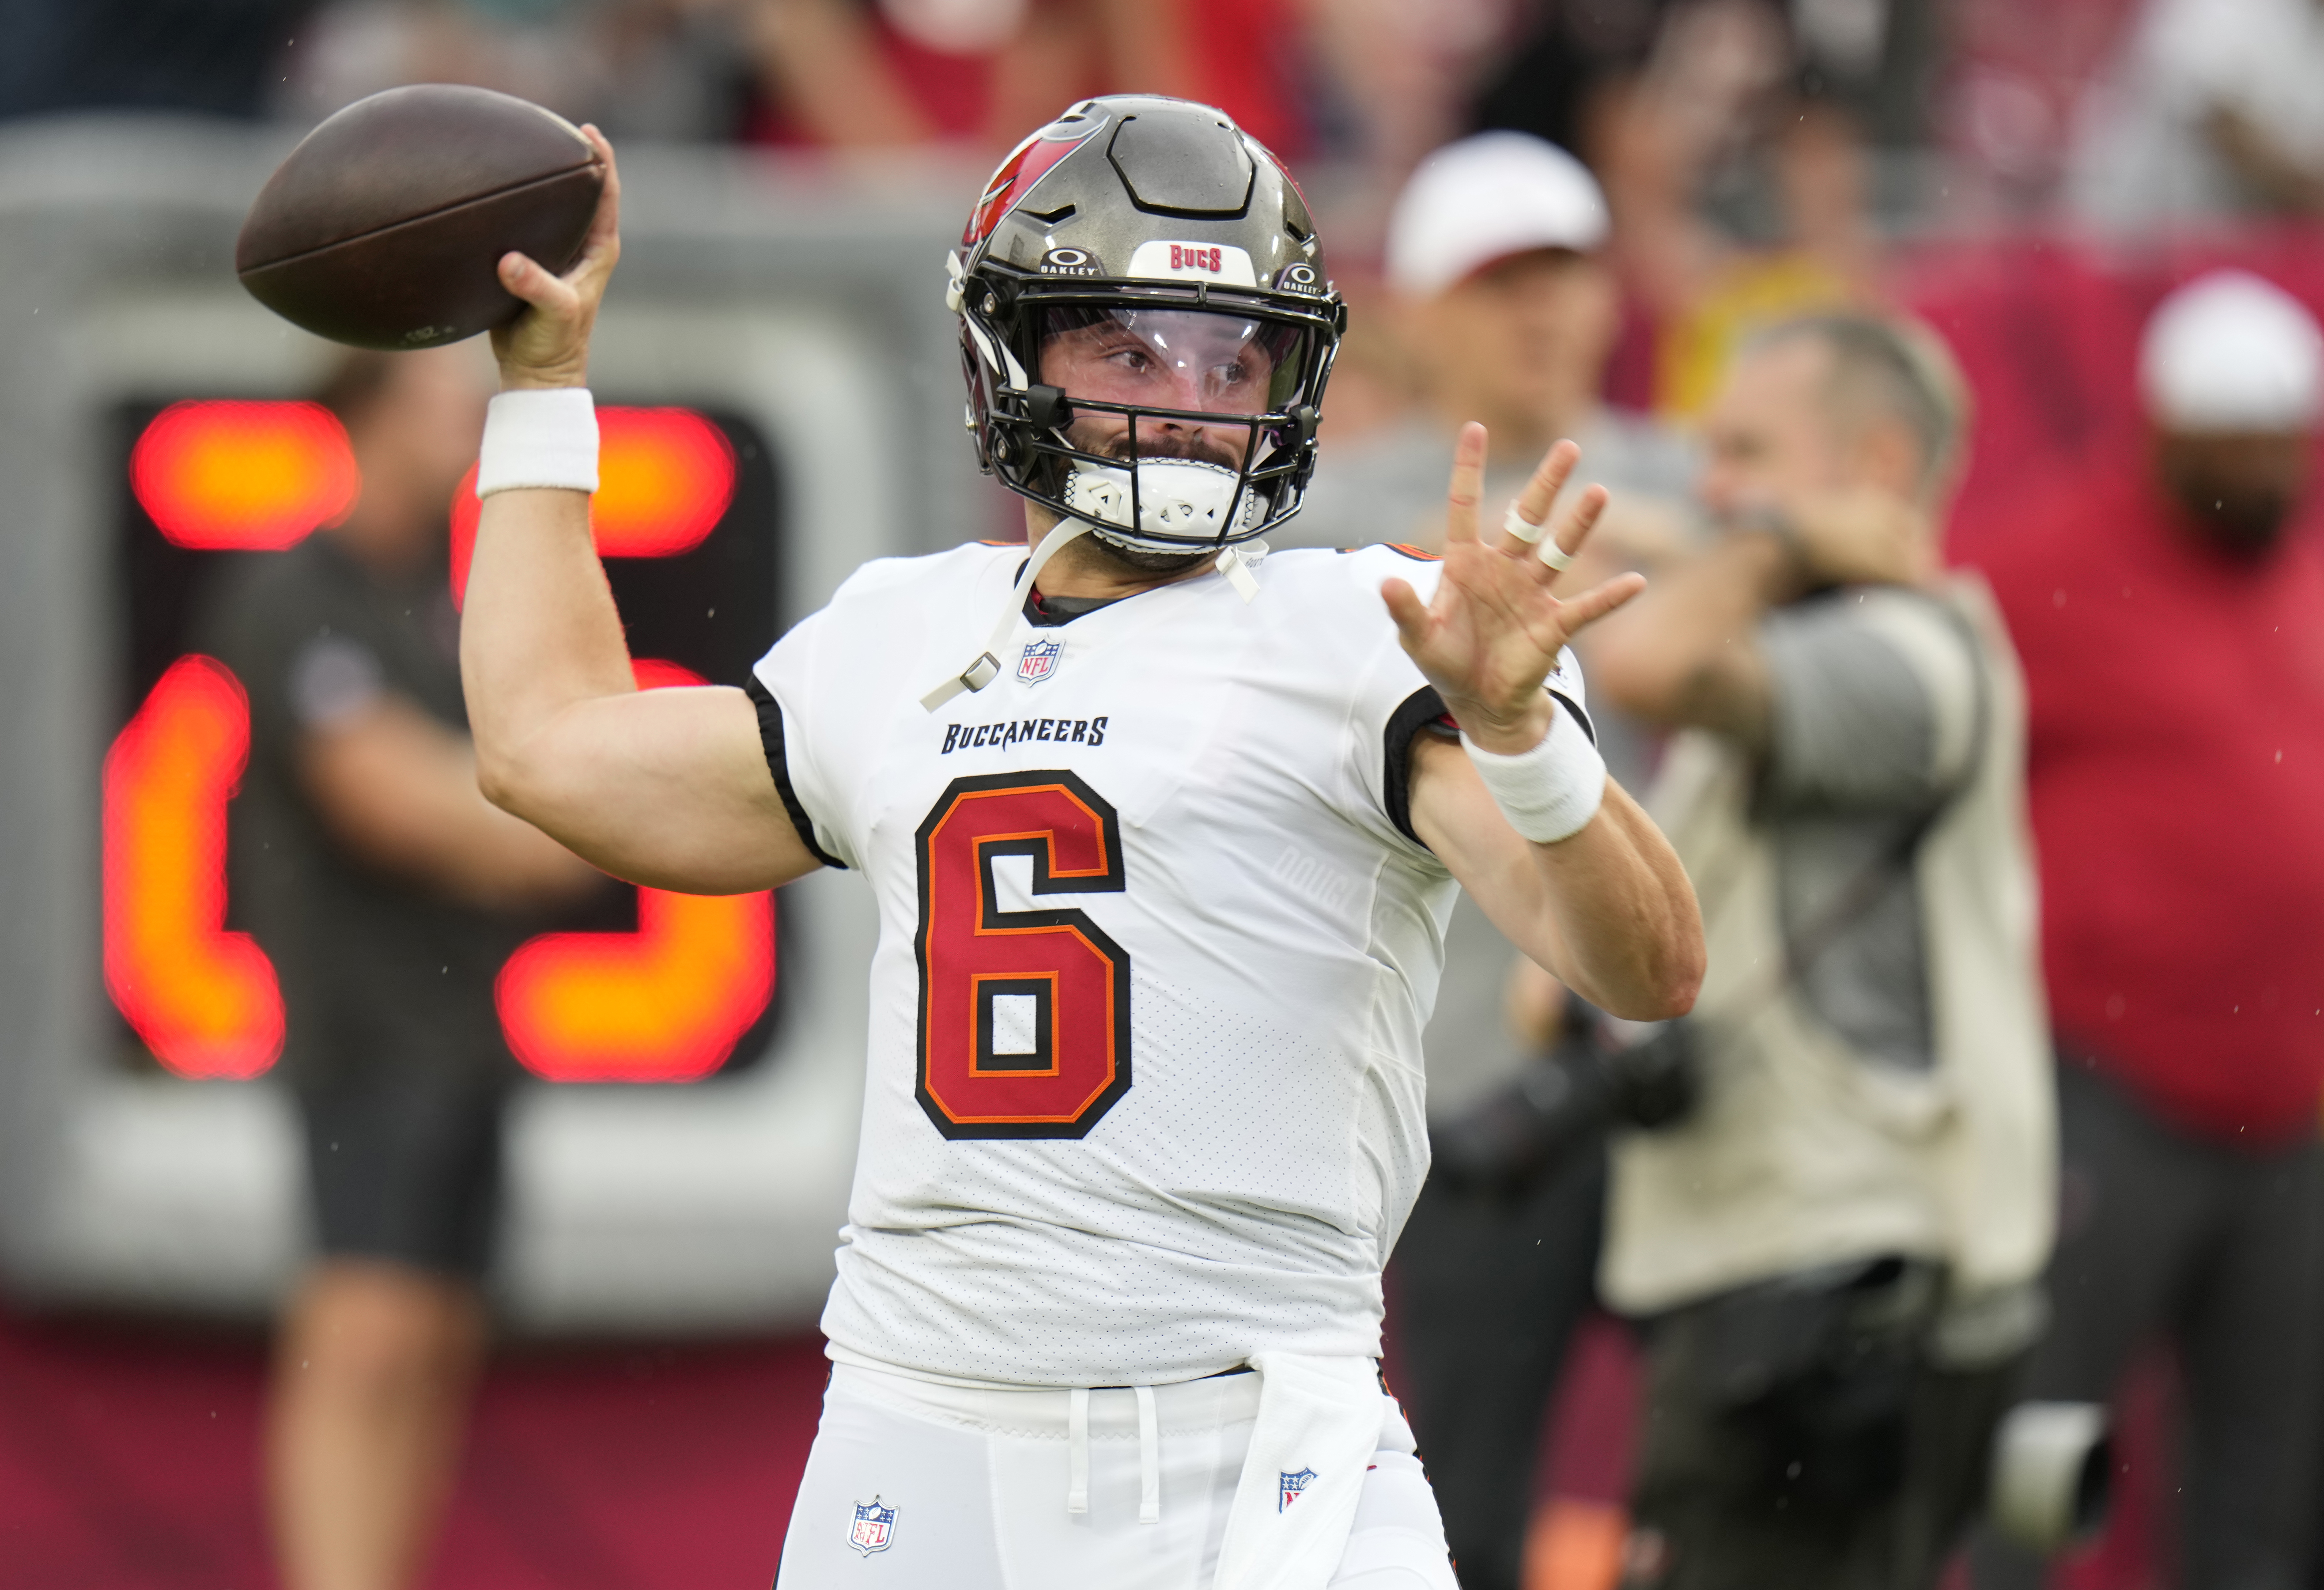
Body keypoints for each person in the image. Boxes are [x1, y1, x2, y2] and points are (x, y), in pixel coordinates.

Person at [457, 95, 1704, 1588]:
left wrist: (1523, 743)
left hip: (1262, 1459)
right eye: (1130, 349)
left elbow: (1646, 968)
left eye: (1232, 356)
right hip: (923, 1437)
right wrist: (543, 386)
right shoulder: (906, 635)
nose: (1188, 399)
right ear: (1010, 351)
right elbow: (545, 746)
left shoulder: (1363, 632)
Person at [1280, 129, 1700, 1590]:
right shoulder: (1331, 504)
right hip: (1471, 1084)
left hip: (1693, 1076)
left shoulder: (1692, 479)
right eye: (1500, 279)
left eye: (1565, 274)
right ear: (1431, 307)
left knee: (1736, 1482)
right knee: (1462, 1489)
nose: (1542, 310)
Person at [1583, 310, 2054, 1590]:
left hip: (1825, 1303)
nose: (1716, 484)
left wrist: (1773, 543)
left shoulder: (1896, 659)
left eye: (1746, 450)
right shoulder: (1840, 643)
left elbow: (1652, 657)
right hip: (1807, 1287)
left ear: (1880, 467)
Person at [204, 348, 598, 1590]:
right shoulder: (295, 599)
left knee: (432, 1341)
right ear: (364, 411)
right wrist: (565, 822)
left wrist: (545, 820)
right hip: (361, 1037)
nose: (459, 427)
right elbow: (392, 799)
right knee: (361, 1335)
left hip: (468, 1039)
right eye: (434, 400)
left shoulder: (442, 608)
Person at [1967, 270, 2324, 1590]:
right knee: (2043, 1452)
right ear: (2162, 431)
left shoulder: (2293, 562)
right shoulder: (2050, 565)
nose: (2263, 464)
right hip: (2106, 1092)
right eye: (2234, 436)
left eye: (2282, 435)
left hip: (2287, 1108)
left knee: (2266, 1478)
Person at [2068, 0, 2324, 231]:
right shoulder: (2218, 9)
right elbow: (2225, 129)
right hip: (2133, 243)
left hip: (2250, 249)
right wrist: (2310, 192)